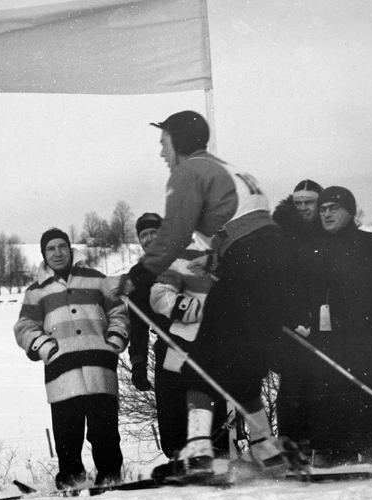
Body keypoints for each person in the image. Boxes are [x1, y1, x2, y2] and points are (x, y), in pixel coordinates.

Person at [115, 110, 291, 481]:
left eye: (163, 145)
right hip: (272, 260)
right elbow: (245, 225)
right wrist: (214, 258)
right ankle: (266, 448)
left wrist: (139, 274)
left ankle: (198, 451)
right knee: (242, 360)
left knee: (201, 354)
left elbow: (174, 234)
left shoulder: (188, 171)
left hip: (248, 261)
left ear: (178, 142)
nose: (162, 154)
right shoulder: (226, 168)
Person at [294, 186, 372, 465]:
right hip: (326, 347)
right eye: (323, 209)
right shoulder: (311, 252)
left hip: (367, 344)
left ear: (350, 212)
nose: (326, 213)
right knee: (331, 415)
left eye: (334, 208)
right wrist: (302, 323)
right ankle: (332, 455)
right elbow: (297, 295)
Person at [14, 228, 130, 489]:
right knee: (68, 433)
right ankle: (71, 480)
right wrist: (47, 349)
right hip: (62, 372)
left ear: (70, 249)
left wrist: (113, 342)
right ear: (43, 254)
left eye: (61, 246)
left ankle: (110, 478)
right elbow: (24, 327)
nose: (57, 253)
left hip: (100, 367)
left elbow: (119, 313)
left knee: (105, 431)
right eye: (50, 249)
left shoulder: (97, 280)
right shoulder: (36, 291)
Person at [127, 213, 225, 457]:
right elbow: (137, 322)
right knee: (172, 411)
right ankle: (178, 459)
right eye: (144, 235)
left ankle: (216, 455)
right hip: (167, 346)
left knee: (208, 405)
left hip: (199, 341)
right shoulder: (139, 272)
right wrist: (138, 360)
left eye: (154, 232)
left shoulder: (187, 258)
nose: (150, 239)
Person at [272, 179, 325, 451]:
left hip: (329, 323)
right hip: (292, 325)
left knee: (328, 386)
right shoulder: (280, 234)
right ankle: (293, 446)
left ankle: (330, 447)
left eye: (309, 202)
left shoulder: (330, 231)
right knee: (293, 384)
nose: (303, 208)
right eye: (298, 203)